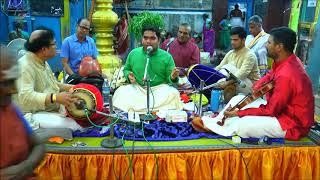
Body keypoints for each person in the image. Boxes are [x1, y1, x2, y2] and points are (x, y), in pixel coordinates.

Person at [202, 27, 314, 140]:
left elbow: (271, 110)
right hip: (280, 111)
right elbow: (270, 75)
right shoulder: (287, 60)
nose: (266, 45)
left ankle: (219, 127)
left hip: (291, 123)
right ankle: (216, 122)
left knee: (244, 124)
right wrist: (257, 86)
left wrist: (239, 113)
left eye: (269, 42)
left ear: (279, 47)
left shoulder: (287, 75)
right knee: (238, 99)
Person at [14, 27, 83, 131]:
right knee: (76, 125)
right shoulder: (25, 66)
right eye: (54, 44)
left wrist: (74, 87)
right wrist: (55, 98)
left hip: (50, 109)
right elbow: (26, 97)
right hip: (31, 115)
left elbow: (53, 84)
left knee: (81, 114)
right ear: (44, 49)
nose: (56, 46)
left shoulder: (42, 61)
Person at [112, 25, 182, 112]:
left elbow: (170, 80)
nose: (148, 41)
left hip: (158, 90)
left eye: (152, 38)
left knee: (173, 94)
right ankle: (154, 109)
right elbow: (126, 69)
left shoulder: (166, 57)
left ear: (159, 40)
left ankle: (137, 109)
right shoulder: (133, 53)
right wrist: (128, 75)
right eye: (145, 38)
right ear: (142, 39)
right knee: (121, 92)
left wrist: (173, 77)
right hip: (138, 89)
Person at [0, 45, 45, 179]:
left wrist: (25, 167)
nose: (14, 90)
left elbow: (38, 145)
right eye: (6, 83)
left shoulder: (11, 109)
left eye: (14, 81)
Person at [215, 27, 260, 96]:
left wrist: (226, 83)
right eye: (231, 40)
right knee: (218, 80)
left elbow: (241, 74)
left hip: (252, 87)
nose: (232, 42)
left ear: (243, 40)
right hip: (236, 82)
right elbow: (219, 68)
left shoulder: (250, 55)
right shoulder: (230, 53)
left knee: (227, 68)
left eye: (235, 40)